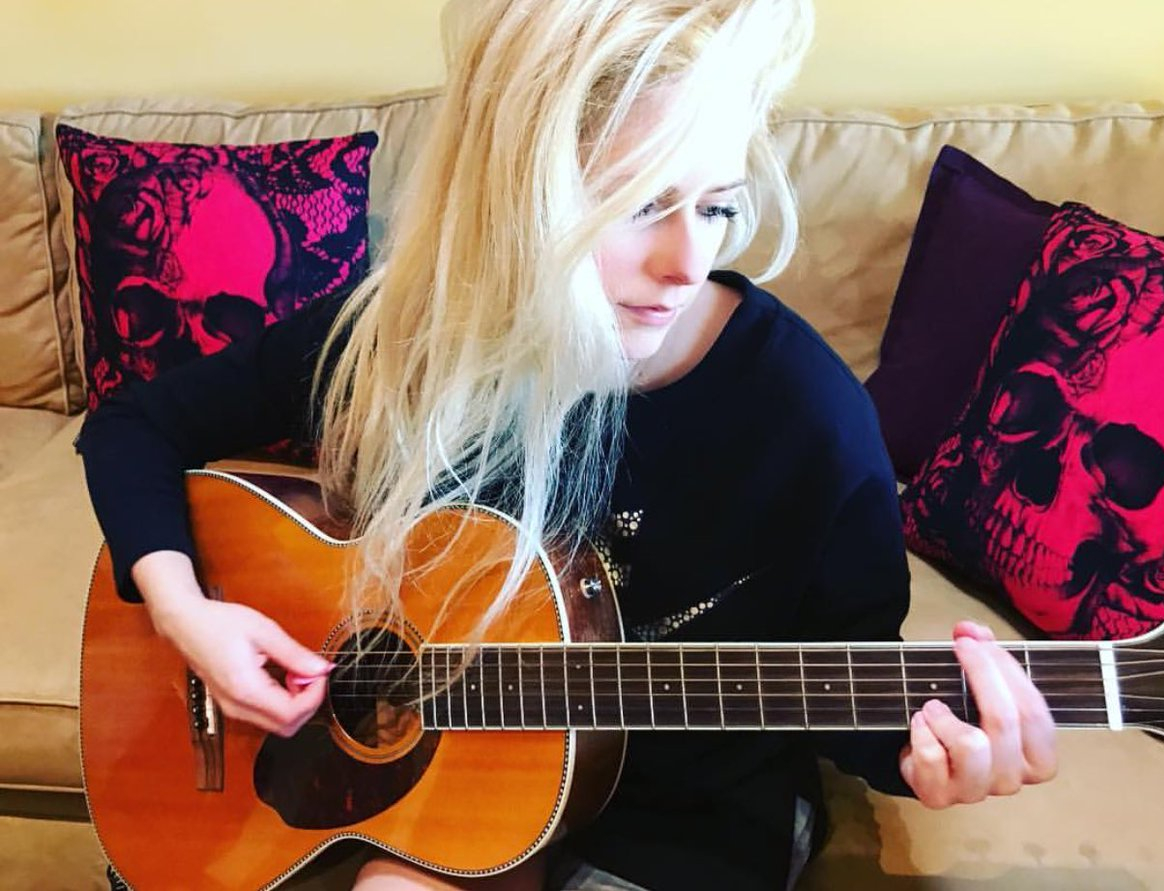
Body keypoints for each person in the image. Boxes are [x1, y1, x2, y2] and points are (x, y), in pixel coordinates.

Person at [76, 1, 1059, 889]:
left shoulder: (806, 415)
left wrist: (929, 756)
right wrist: (185, 612)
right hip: (439, 790)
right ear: (511, 197)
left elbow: (852, 678)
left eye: (715, 205)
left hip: (678, 826)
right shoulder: (410, 334)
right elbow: (135, 425)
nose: (687, 263)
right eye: (637, 204)